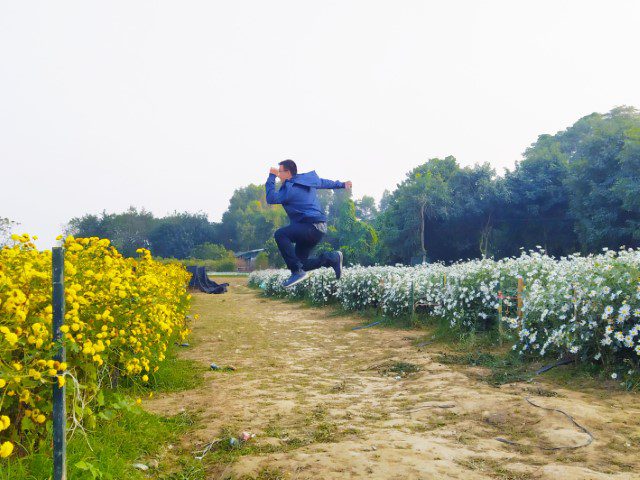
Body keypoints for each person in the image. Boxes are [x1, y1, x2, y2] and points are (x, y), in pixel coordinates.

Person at [266, 159, 352, 288]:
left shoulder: (290, 188)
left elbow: (271, 198)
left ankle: (296, 272)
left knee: (280, 234)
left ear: (288, 172)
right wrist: (342, 184)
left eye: (280, 172)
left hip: (310, 226)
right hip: (317, 227)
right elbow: (323, 183)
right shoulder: (307, 180)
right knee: (302, 263)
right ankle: (331, 258)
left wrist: (271, 176)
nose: (278, 175)